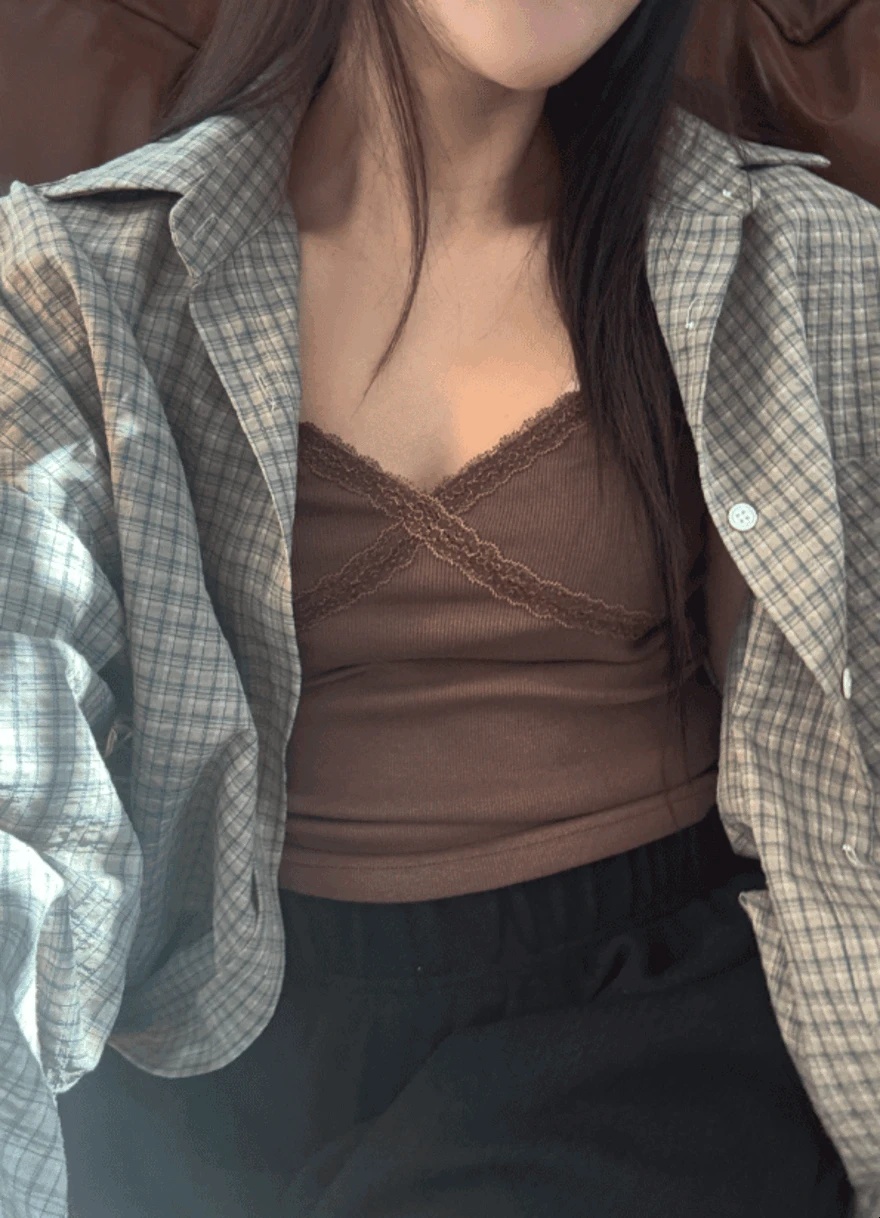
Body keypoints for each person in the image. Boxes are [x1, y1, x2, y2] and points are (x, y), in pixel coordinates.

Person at [1, 0, 874, 1215]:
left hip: (636, 1024)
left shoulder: (797, 264)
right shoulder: (78, 281)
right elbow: (22, 750)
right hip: (213, 1034)